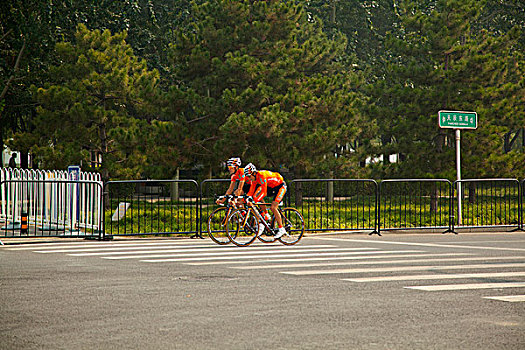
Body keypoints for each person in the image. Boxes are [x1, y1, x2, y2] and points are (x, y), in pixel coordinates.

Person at [244, 163, 287, 239]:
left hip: (280, 186)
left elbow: (264, 192)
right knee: (255, 196)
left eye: (249, 176)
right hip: (271, 187)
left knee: (273, 207)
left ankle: (281, 228)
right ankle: (264, 216)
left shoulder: (261, 175)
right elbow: (251, 191)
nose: (249, 178)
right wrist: (247, 198)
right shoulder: (254, 179)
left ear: (254, 173)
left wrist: (254, 201)